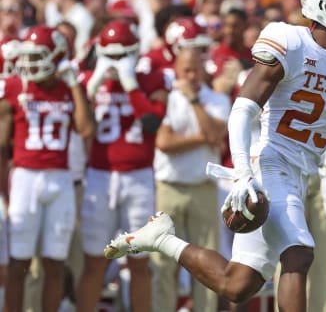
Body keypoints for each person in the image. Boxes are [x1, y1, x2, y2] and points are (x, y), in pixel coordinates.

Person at [101, 0, 326, 312]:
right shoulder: (290, 43)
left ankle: (163, 239)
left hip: (302, 169)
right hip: (270, 161)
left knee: (237, 284)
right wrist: (243, 173)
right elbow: (243, 109)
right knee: (299, 253)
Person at [75, 19, 169, 312]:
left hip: (138, 176)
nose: (115, 61)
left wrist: (130, 85)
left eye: (121, 54)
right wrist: (91, 87)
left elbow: (153, 122)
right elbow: (82, 128)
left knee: (139, 263)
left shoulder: (150, 78)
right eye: (110, 54)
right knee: (93, 264)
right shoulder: (88, 77)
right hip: (100, 174)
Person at [0, 26, 95, 312]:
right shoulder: (16, 87)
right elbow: (1, 142)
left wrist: (75, 85)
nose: (29, 64)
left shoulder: (69, 87)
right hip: (26, 178)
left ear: (57, 56)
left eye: (37, 57)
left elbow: (87, 128)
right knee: (19, 264)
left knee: (56, 263)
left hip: (60, 178)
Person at [152, 49, 230, 312]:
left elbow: (215, 133)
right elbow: (164, 142)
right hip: (169, 187)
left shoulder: (217, 99)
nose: (191, 76)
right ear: (176, 70)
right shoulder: (168, 99)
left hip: (203, 188)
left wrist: (195, 101)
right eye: (186, 70)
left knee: (206, 263)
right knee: (163, 261)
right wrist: (202, 138)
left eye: (196, 69)